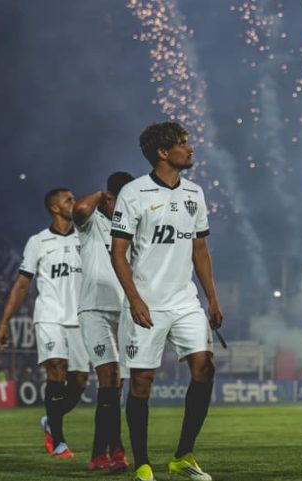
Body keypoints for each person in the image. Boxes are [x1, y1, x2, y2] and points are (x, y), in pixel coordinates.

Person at [110, 121, 223, 481]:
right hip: (147, 302)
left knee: (204, 368)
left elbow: (200, 250)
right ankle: (142, 463)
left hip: (184, 300)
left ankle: (183, 455)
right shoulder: (134, 193)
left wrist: (212, 298)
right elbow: (118, 253)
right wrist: (134, 299)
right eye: (183, 143)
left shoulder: (195, 193)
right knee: (142, 382)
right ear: (162, 152)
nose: (190, 148)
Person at [0, 188, 89, 459]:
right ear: (55, 208)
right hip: (49, 315)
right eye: (69, 200)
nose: (75, 202)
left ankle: (50, 420)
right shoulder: (38, 242)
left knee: (80, 381)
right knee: (56, 368)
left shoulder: (86, 237)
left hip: (80, 317)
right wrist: (4, 322)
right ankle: (59, 442)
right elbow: (22, 284)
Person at [73, 172, 134, 472]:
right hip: (94, 309)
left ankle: (102, 454)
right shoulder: (92, 223)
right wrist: (101, 195)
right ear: (109, 198)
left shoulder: (130, 227)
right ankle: (114, 452)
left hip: (124, 311)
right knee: (108, 375)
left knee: (116, 383)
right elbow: (80, 210)